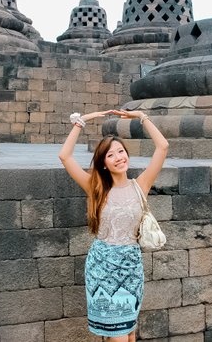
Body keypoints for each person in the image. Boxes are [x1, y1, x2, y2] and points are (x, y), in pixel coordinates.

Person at [58, 109, 169, 342]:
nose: (119, 157)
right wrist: (83, 121)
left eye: (121, 152)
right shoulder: (96, 188)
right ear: (104, 163)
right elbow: (65, 157)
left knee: (129, 335)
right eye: (111, 155)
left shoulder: (141, 185)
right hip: (103, 268)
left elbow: (163, 147)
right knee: (117, 337)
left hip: (131, 267)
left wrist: (142, 117)